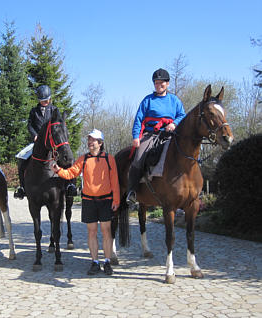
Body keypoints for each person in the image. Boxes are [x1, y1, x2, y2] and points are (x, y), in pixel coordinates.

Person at [51, 129, 120, 276]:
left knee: (106, 232)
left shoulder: (109, 159)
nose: (90, 142)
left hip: (106, 200)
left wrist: (116, 199)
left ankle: (107, 261)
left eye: (93, 140)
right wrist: (58, 171)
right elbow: (71, 173)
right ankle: (95, 262)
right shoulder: (83, 159)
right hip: (88, 200)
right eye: (89, 140)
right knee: (92, 232)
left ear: (100, 143)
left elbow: (115, 181)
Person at [126, 68, 186, 204]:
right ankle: (132, 191)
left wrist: (174, 124)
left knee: (186, 151)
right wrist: (136, 137)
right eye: (156, 83)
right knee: (139, 157)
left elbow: (182, 115)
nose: (159, 85)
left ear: (168, 84)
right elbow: (138, 119)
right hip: (151, 134)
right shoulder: (148, 100)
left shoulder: (174, 100)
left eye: (162, 83)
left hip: (170, 134)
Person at [14, 85, 77, 199]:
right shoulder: (34, 111)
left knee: (66, 159)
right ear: (39, 100)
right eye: (43, 100)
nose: (45, 102)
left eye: (47, 100)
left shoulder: (54, 111)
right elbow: (29, 125)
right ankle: (22, 187)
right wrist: (35, 135)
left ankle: (69, 185)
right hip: (37, 142)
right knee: (22, 158)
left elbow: (58, 126)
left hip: (52, 143)